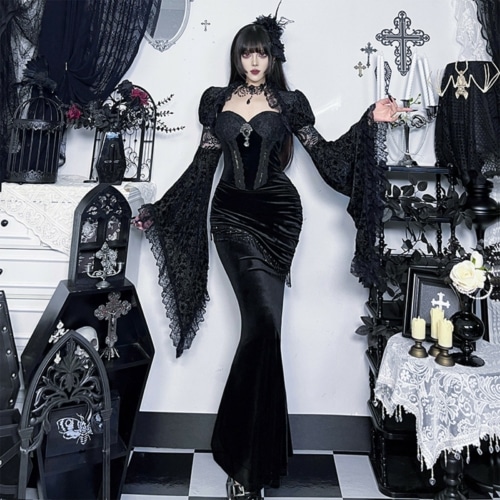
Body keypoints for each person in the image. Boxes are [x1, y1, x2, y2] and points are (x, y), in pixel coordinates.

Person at [133, 10, 408, 500]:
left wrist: (370, 120)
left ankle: (251, 459)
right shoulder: (216, 101)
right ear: (237, 58)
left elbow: (328, 157)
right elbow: (202, 167)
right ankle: (244, 460)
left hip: (279, 220)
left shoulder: (289, 104)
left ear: (272, 58)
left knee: (266, 333)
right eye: (246, 53)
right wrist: (161, 210)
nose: (254, 61)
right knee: (260, 327)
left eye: (261, 53)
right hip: (230, 221)